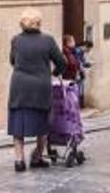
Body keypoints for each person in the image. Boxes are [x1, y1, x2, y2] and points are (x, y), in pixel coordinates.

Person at [8, 9, 67, 173]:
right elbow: (62, 63)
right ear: (39, 23)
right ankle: (36, 157)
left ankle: (19, 161)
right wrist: (53, 73)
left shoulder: (16, 40)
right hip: (40, 87)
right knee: (42, 124)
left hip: (19, 86)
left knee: (18, 124)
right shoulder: (48, 41)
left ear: (22, 23)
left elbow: (13, 61)